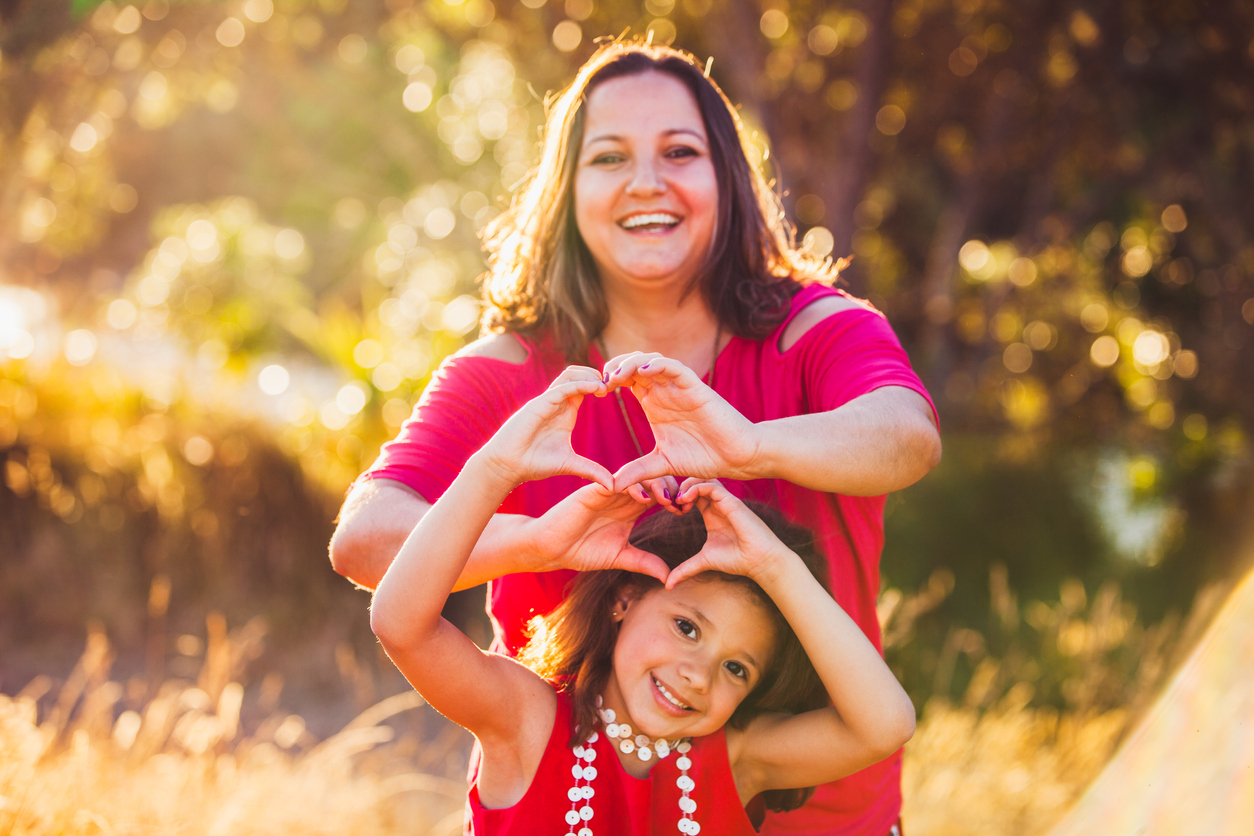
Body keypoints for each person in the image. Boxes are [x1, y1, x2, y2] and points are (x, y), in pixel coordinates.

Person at [331, 41, 940, 835]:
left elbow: (907, 436)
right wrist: (548, 542)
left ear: (727, 180)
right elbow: (366, 542)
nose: (646, 182)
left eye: (680, 152)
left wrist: (748, 446)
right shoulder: (510, 372)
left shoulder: (818, 330)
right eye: (609, 157)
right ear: (568, 192)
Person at [368, 368, 917, 835]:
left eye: (735, 668)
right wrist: (501, 482)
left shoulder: (736, 759)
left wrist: (777, 567)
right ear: (624, 599)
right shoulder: (527, 720)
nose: (699, 676)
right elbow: (401, 625)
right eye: (687, 628)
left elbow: (884, 727)